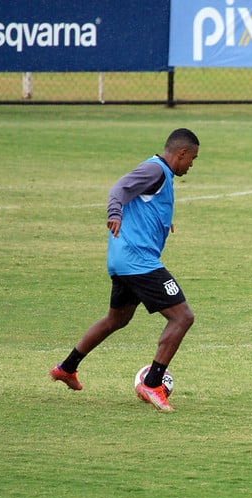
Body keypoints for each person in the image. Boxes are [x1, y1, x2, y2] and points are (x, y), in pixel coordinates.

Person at [50, 128, 200, 412]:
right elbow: (119, 189)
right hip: (138, 261)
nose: (191, 165)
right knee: (182, 317)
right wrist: (114, 213)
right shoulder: (155, 170)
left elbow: (144, 203)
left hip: (123, 260)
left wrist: (161, 224)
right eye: (192, 159)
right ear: (181, 153)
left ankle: (66, 368)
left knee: (116, 319)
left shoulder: (161, 175)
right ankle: (153, 382)